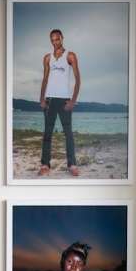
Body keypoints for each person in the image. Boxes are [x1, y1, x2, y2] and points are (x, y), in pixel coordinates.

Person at [39, 29, 81, 177]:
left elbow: (78, 79)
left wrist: (73, 101)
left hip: (64, 100)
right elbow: (45, 79)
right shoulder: (47, 58)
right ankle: (45, 164)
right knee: (47, 133)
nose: (55, 42)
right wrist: (41, 98)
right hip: (49, 99)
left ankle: (72, 165)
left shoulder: (70, 56)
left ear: (62, 38)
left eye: (57, 39)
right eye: (52, 40)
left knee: (68, 134)